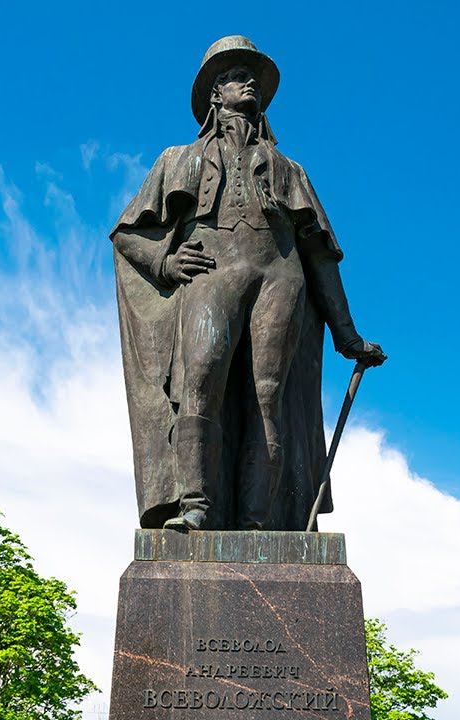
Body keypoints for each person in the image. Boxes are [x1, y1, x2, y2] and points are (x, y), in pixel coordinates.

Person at [111, 35, 385, 532]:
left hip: (280, 278)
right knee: (200, 381)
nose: (250, 83)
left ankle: (259, 524)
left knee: (268, 396)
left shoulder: (289, 170)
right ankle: (195, 507)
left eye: (253, 76)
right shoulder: (177, 159)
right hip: (210, 272)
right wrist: (165, 263)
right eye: (238, 76)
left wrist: (347, 336)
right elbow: (127, 234)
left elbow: (320, 255)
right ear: (216, 93)